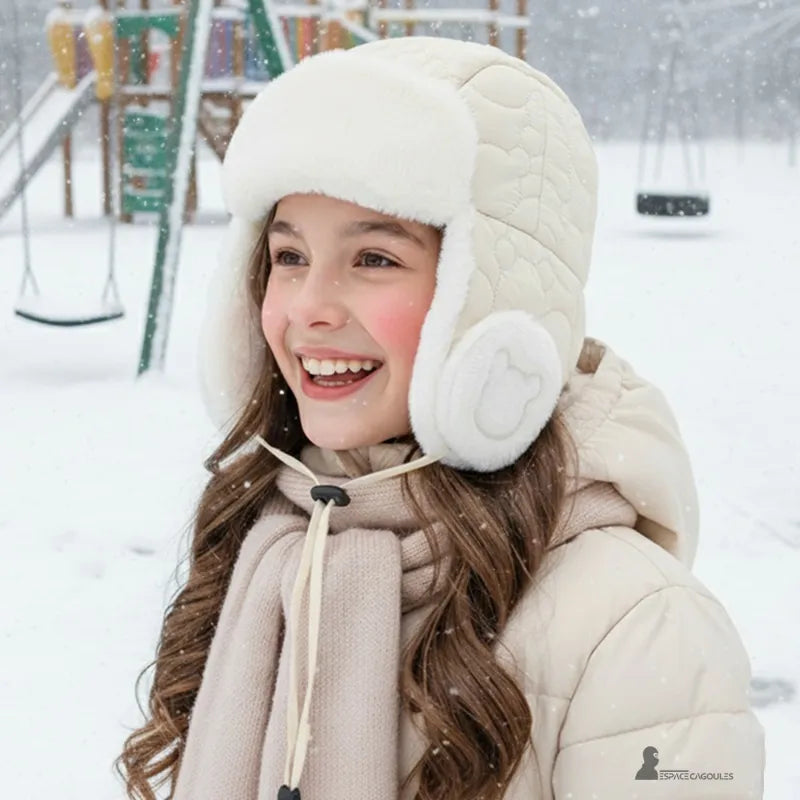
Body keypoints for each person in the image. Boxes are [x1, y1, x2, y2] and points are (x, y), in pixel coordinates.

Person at [115, 36, 765, 800]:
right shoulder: (274, 549)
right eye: (289, 257)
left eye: (374, 259)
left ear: (488, 302)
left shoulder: (642, 626)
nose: (308, 307)